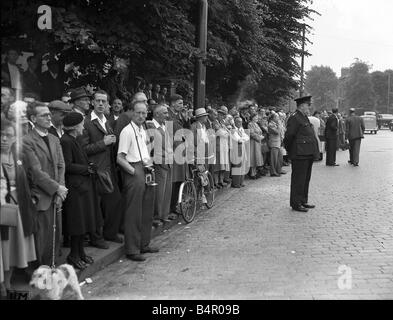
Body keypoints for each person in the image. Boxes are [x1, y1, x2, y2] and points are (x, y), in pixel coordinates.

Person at [22, 102, 67, 265]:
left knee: (55, 237)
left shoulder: (54, 139)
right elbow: (35, 172)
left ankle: (51, 268)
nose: (49, 117)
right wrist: (56, 188)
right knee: (41, 238)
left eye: (49, 114)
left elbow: (61, 165)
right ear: (33, 118)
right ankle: (38, 273)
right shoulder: (27, 141)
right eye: (44, 115)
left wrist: (60, 190)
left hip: (56, 196)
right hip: (40, 196)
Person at [80, 90, 123, 248]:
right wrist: (103, 143)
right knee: (96, 206)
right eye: (97, 101)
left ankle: (110, 233)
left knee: (115, 201)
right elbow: (83, 149)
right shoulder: (86, 122)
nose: (100, 104)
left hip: (109, 169)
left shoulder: (107, 121)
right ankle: (96, 238)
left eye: (103, 101)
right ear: (92, 102)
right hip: (95, 170)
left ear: (107, 104)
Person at [117, 101, 158, 261]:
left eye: (143, 113)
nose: (141, 116)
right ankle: (132, 249)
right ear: (132, 113)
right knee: (133, 212)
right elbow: (120, 158)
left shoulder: (142, 130)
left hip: (145, 167)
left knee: (147, 209)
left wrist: (148, 164)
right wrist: (134, 172)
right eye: (138, 113)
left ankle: (144, 244)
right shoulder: (127, 131)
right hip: (134, 171)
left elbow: (144, 151)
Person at [0, 119, 37, 298]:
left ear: (15, 138)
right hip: (3, 208)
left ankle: (8, 282)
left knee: (14, 248)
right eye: (1, 135)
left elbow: (26, 179)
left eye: (8, 135)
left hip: (17, 207)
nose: (4, 139)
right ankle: (2, 285)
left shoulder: (17, 156)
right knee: (3, 248)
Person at [60, 112, 97, 269]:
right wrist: (86, 169)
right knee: (76, 224)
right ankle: (73, 255)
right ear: (75, 127)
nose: (83, 126)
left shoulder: (74, 139)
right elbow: (67, 165)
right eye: (82, 124)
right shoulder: (66, 141)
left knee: (82, 223)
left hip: (81, 187)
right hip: (75, 189)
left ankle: (80, 252)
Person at [283, 96, 319, 212]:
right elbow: (289, 136)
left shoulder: (304, 117)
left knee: (305, 179)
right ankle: (296, 203)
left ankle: (303, 200)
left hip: (307, 153)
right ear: (302, 105)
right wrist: (290, 151)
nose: (309, 107)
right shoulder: (295, 118)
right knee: (298, 179)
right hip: (299, 153)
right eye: (308, 105)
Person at [146, 104, 173, 225]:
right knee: (159, 191)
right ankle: (156, 217)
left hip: (167, 161)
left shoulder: (163, 126)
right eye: (165, 113)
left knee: (166, 191)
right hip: (158, 162)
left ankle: (164, 214)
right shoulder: (150, 126)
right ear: (156, 114)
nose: (167, 115)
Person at [230, 117, 249, 188]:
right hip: (236, 149)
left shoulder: (241, 129)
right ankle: (236, 183)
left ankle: (241, 181)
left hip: (242, 148)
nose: (240, 123)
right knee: (237, 165)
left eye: (241, 122)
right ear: (235, 122)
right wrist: (242, 139)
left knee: (243, 165)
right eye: (238, 122)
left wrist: (242, 139)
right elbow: (237, 138)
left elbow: (247, 137)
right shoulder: (233, 130)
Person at [268, 112, 284, 177]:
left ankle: (278, 170)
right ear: (273, 118)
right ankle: (273, 172)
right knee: (273, 158)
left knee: (279, 158)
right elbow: (277, 132)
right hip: (274, 143)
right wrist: (279, 125)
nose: (278, 118)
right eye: (277, 117)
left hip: (278, 142)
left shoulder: (276, 123)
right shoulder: (271, 124)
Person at [248, 113, 264, 179]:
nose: (257, 118)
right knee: (253, 157)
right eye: (256, 117)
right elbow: (251, 133)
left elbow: (260, 131)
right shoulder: (250, 124)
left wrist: (261, 136)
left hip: (257, 143)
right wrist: (259, 137)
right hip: (253, 143)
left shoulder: (256, 124)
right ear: (253, 117)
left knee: (256, 158)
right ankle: (252, 173)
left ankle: (255, 172)